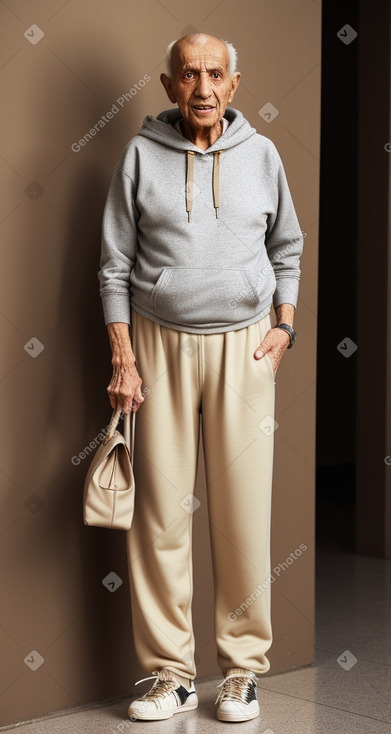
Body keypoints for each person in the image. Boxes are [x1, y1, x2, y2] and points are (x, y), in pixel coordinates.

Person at [98, 32, 303, 724]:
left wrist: (283, 328)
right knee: (158, 515)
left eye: (215, 74)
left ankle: (241, 671)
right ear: (167, 86)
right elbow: (112, 265)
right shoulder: (137, 155)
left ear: (234, 85)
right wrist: (123, 360)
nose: (203, 88)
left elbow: (288, 248)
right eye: (189, 75)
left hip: (245, 348)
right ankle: (169, 673)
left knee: (243, 513)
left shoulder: (262, 155)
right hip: (156, 346)